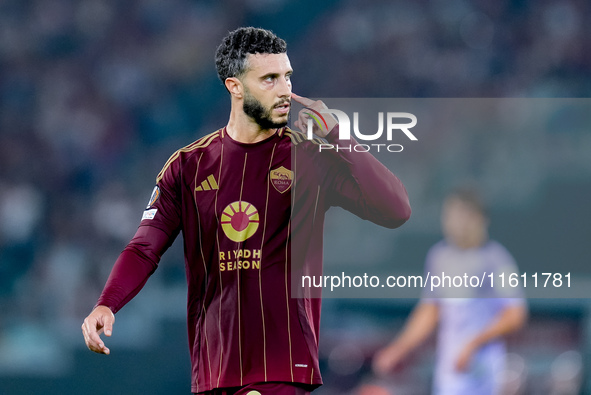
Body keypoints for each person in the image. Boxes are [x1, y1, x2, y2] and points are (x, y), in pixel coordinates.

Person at [81, 27, 411, 395]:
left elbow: (395, 209)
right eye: (270, 78)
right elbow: (144, 247)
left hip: (282, 365)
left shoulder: (309, 157)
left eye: (287, 77)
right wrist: (107, 304)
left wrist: (339, 136)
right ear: (234, 86)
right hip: (214, 369)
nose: (285, 89)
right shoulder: (187, 166)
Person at [373, 188, 527, 395]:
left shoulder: (497, 260)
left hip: (482, 369)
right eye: (450, 216)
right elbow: (430, 310)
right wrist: (399, 348)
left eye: (463, 217)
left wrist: (474, 343)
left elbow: (515, 314)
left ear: (480, 219)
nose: (456, 224)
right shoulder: (439, 257)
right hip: (449, 368)